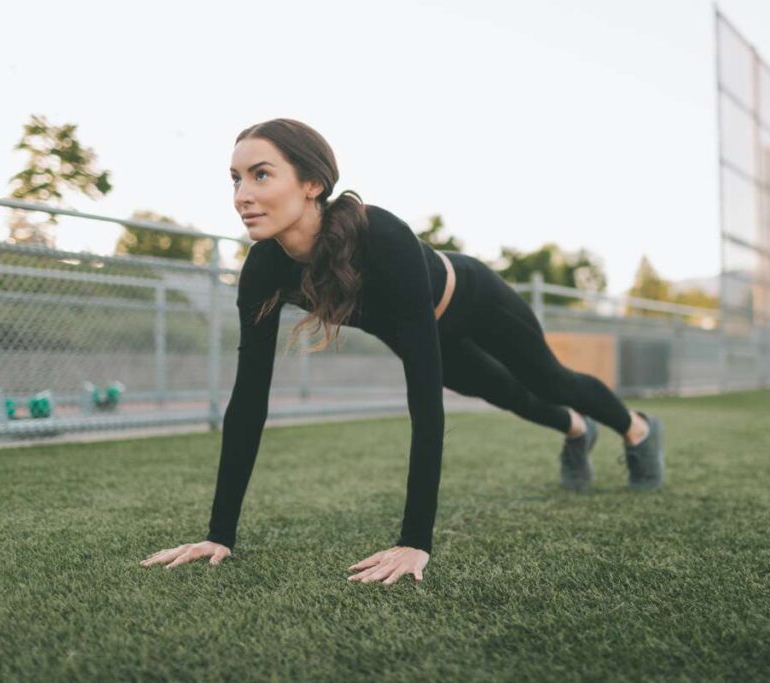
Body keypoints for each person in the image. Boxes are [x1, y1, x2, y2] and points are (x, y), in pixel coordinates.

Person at [140, 119, 665, 585]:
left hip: (474, 301)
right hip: (418, 331)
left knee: (550, 381)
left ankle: (638, 429)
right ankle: (577, 430)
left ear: (312, 183)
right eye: (235, 179)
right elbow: (249, 398)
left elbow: (423, 398)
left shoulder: (380, 234)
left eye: (260, 174)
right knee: (506, 394)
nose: (241, 195)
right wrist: (219, 534)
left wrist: (416, 540)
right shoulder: (263, 270)